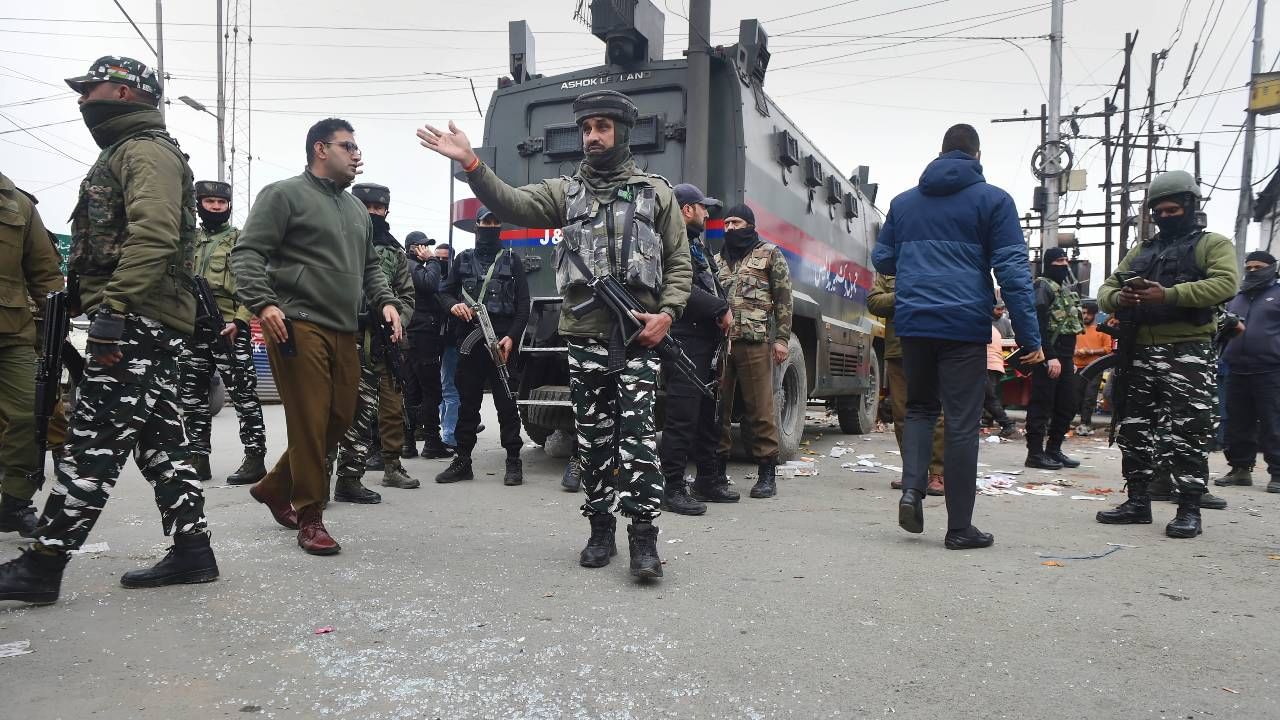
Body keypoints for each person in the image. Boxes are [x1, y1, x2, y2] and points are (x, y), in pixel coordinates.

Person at [417, 89, 692, 579]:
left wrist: (666, 314)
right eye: (587, 129)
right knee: (592, 438)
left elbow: (678, 264)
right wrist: (473, 165)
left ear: (622, 132)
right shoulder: (565, 194)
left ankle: (644, 540)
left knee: (638, 440)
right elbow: (514, 204)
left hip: (638, 338)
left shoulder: (657, 193)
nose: (592, 137)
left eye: (602, 127)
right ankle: (600, 531)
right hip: (585, 336)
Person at [0, 56, 220, 604]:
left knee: (91, 440)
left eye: (90, 89)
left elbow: (155, 236)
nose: (81, 100)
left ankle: (44, 564)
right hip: (146, 316)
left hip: (138, 318)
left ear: (124, 93)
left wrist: (114, 307)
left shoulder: (145, 152)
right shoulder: (126, 152)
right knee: (161, 441)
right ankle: (193, 551)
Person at [231, 117, 401, 555]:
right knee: (309, 421)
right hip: (296, 322)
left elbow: (370, 268)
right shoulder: (284, 194)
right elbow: (248, 253)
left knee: (339, 418)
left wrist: (386, 302)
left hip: (344, 327)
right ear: (321, 149)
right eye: (348, 146)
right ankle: (310, 514)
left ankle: (273, 486)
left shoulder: (355, 210)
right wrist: (264, 304)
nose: (356, 154)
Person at [871, 123, 1043, 550]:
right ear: (976, 156)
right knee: (963, 423)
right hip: (964, 326)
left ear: (941, 152)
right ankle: (959, 528)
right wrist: (1030, 337)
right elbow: (1014, 274)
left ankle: (913, 489)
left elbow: (883, 257)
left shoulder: (904, 203)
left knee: (918, 410)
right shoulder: (995, 201)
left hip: (913, 324)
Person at [1095, 170, 1238, 538]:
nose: (1166, 216)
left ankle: (1189, 508)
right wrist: (1121, 297)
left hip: (1187, 351)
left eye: (1174, 209)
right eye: (1159, 210)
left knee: (1188, 431)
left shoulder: (1213, 244)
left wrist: (1169, 294)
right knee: (1134, 428)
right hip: (1138, 349)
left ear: (1190, 206)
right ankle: (1137, 502)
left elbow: (1225, 283)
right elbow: (1107, 288)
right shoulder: (1142, 250)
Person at [330, 182, 418, 501]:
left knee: (392, 407)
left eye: (378, 209)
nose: (372, 214)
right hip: (346, 334)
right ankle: (332, 472)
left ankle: (392, 465)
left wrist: (397, 321)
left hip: (383, 339)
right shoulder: (337, 242)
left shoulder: (395, 252)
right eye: (366, 208)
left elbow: (407, 296)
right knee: (340, 408)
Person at [178, 179, 268, 485]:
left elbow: (255, 283)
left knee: (244, 393)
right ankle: (198, 458)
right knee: (192, 397)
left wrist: (241, 321)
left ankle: (255, 458)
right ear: (199, 204)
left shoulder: (240, 240)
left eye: (221, 203)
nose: (216, 207)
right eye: (210, 202)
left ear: (229, 206)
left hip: (228, 326)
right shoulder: (190, 239)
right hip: (193, 327)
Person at [434, 206, 530, 486]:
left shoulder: (512, 260)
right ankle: (462, 460)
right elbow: (443, 292)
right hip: (469, 341)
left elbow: (523, 305)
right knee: (468, 404)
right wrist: (455, 306)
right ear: (476, 226)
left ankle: (513, 460)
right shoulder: (463, 260)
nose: (490, 227)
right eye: (485, 222)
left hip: (502, 344)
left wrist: (512, 336)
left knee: (507, 405)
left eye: (495, 222)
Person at [659, 183, 731, 514]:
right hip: (685, 338)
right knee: (682, 416)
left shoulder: (696, 245)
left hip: (705, 341)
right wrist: (719, 308)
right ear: (687, 210)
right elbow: (680, 290)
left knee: (707, 416)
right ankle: (672, 486)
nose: (707, 213)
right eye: (703, 208)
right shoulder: (670, 244)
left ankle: (707, 479)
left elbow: (709, 284)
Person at [714, 204, 794, 499]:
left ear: (749, 224)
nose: (730, 228)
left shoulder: (770, 254)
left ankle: (766, 473)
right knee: (718, 409)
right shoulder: (717, 261)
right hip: (722, 344)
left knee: (760, 409)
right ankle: (718, 470)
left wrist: (782, 339)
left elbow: (784, 298)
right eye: (726, 224)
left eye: (735, 222)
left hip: (754, 341)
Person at [0, 173, 64, 537]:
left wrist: (54, 326)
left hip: (12, 330)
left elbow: (45, 272)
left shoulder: (17, 202)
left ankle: (14, 502)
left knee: (32, 411)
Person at [867, 274, 947, 495]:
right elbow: (874, 302)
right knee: (902, 415)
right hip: (898, 350)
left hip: (933, 346)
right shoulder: (889, 271)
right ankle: (913, 473)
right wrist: (905, 295)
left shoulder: (935, 262)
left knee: (936, 412)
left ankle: (938, 474)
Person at [1216, 250, 1280, 493]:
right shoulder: (1237, 297)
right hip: (1237, 369)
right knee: (1237, 423)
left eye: (1258, 267)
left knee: (1273, 422)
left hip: (1272, 370)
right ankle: (1240, 470)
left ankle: (1278, 473)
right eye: (1249, 267)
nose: (1253, 271)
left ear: (1272, 268)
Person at [1024, 247, 1084, 470]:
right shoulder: (1042, 286)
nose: (1064, 265)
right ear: (1049, 264)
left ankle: (1053, 449)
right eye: (1059, 261)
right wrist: (1050, 356)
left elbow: (1070, 328)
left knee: (1067, 405)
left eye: (1066, 260)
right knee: (1042, 404)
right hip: (1049, 356)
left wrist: (1069, 359)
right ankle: (1035, 453)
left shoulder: (1064, 289)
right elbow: (1038, 322)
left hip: (1066, 358)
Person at [401, 231, 454, 460]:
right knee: (430, 390)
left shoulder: (409, 266)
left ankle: (409, 442)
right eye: (423, 246)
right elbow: (431, 284)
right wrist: (432, 261)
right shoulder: (413, 266)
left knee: (412, 391)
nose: (427, 249)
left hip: (412, 335)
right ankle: (431, 441)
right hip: (421, 336)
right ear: (413, 248)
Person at [435, 243, 461, 450]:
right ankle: (448, 431)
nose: (441, 262)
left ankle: (449, 433)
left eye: (445, 259)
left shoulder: (455, 283)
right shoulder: (433, 280)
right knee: (444, 391)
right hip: (436, 343)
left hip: (452, 342)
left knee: (449, 390)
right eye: (438, 259)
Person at [1072, 299, 1111, 436]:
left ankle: (1085, 423)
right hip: (1077, 366)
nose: (1084, 316)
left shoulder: (1102, 330)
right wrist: (1075, 350)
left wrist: (1091, 352)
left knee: (1089, 396)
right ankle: (1069, 422)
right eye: (1083, 313)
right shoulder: (1076, 329)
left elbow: (1108, 349)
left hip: (1094, 367)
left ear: (1094, 314)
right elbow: (1070, 346)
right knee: (1075, 395)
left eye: (1087, 314)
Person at [982, 308, 1017, 438]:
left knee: (988, 398)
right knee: (986, 397)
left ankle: (1007, 424)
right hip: (995, 365)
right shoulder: (992, 328)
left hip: (987, 365)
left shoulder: (983, 327)